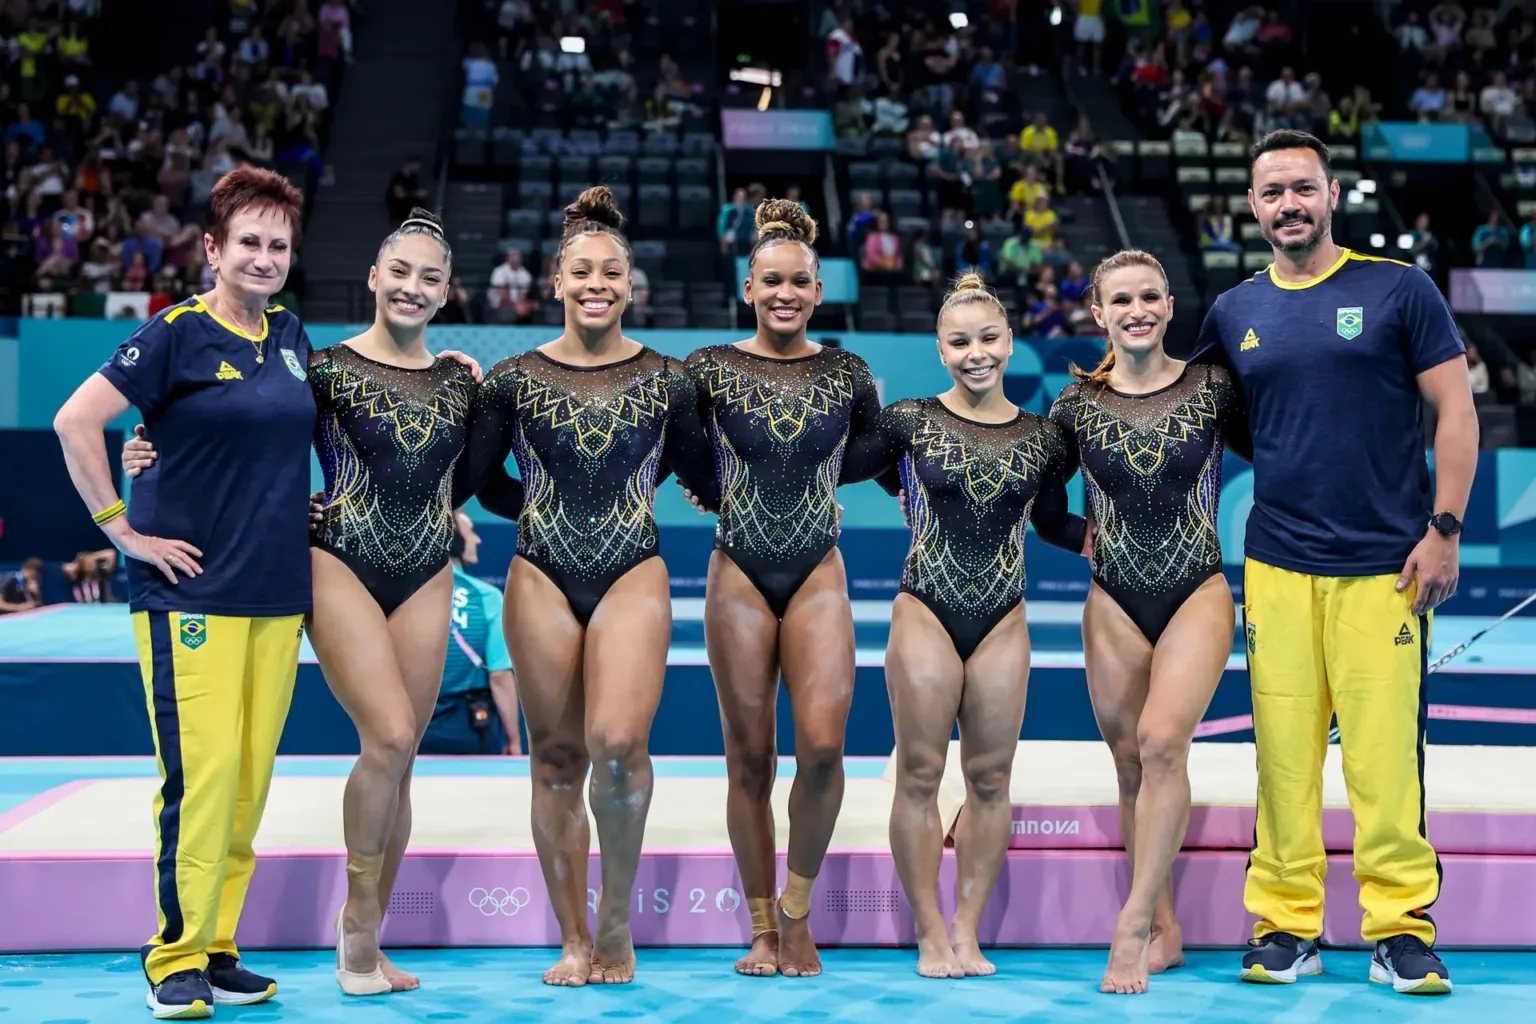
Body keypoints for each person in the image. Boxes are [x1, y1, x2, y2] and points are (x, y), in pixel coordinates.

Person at [118, 207, 495, 1001]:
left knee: (401, 761)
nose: (412, 287)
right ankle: (350, 929)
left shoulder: (462, 381)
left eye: (430, 278)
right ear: (373, 277)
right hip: (337, 560)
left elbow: (470, 477)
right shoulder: (316, 367)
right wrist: (147, 451)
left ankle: (370, 936)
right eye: (400, 271)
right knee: (389, 735)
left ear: (446, 292)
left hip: (427, 567)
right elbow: (239, 429)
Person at [1192, 129, 1475, 996]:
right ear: (1253, 206)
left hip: (1387, 568)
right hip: (1278, 566)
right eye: (1274, 192)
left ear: (1332, 195)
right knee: (1282, 757)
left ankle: (1400, 929)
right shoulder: (1233, 311)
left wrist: (1445, 528)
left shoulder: (1399, 289)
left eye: (1303, 188)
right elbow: (1200, 419)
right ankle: (1286, 925)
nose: (1290, 205)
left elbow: (1456, 410)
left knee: (1385, 761)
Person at [55, 166, 312, 1021]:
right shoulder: (175, 333)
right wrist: (121, 529)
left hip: (278, 593)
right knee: (199, 779)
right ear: (212, 248)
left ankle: (218, 945)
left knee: (247, 784)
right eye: (249, 242)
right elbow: (75, 421)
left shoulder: (292, 335)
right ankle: (174, 953)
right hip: (191, 594)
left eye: (279, 245)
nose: (264, 257)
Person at [459, 185, 716, 987]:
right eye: (581, 271)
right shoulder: (512, 379)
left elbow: (705, 473)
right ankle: (574, 936)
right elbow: (480, 483)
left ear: (630, 285)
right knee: (557, 758)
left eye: (611, 271)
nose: (596, 283)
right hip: (541, 571)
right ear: (556, 282)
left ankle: (616, 920)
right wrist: (545, 503)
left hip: (631, 568)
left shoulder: (669, 380)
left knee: (619, 744)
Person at [838, 273, 1084, 979]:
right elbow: (829, 461)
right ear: (941, 350)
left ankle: (967, 932)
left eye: (988, 339)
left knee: (990, 778)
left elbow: (1053, 522)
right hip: (926, 608)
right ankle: (929, 933)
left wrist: (1115, 542)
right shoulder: (908, 422)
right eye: (959, 343)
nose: (976, 353)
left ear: (1009, 340)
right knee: (919, 773)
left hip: (1004, 617)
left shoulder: (1045, 438)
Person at [680, 198, 881, 979]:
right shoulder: (708, 369)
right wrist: (711, 490)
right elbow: (672, 452)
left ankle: (798, 911)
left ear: (818, 290)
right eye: (771, 281)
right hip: (738, 569)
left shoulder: (847, 374)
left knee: (824, 749)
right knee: (750, 760)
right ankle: (763, 927)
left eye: (799, 281)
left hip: (817, 568)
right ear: (749, 287)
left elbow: (869, 459)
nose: (785, 293)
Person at [1047, 249, 1250, 994]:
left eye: (1150, 297)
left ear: (1169, 306)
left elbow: (1285, 451)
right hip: (1113, 599)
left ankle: (1131, 925)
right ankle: (1166, 926)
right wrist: (1081, 537)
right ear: (1098, 313)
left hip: (1197, 587)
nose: (1137, 310)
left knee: (1164, 742)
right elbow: (1043, 508)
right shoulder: (1074, 406)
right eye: (1122, 300)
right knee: (1132, 762)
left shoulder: (1213, 389)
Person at [420, 509, 523, 755]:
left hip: (414, 723)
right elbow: (500, 676)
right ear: (453, 540)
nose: (477, 540)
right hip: (469, 725)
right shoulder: (486, 596)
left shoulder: (411, 595)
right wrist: (514, 740)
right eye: (470, 532)